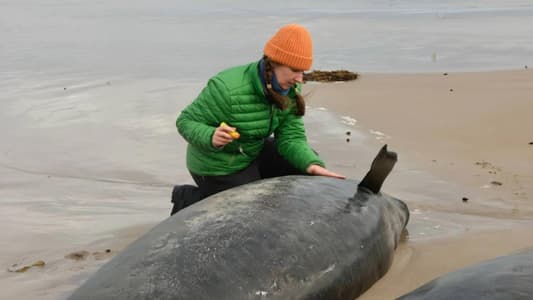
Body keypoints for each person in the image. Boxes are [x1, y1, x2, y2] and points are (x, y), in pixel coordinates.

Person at [171, 23, 345, 215]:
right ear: (274, 62)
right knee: (251, 210)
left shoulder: (290, 89)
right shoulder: (227, 89)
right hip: (216, 166)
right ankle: (189, 199)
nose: (299, 78)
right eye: (295, 70)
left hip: (251, 152)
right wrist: (211, 136)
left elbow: (291, 138)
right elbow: (185, 121)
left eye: (303, 71)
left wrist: (312, 165)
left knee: (302, 168)